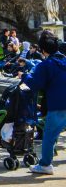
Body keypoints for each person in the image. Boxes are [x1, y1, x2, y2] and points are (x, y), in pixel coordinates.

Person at [20, 30, 66, 175]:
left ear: (43, 50)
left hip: (58, 105)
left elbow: (34, 83)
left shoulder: (46, 65)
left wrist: (24, 76)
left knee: (49, 136)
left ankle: (45, 164)